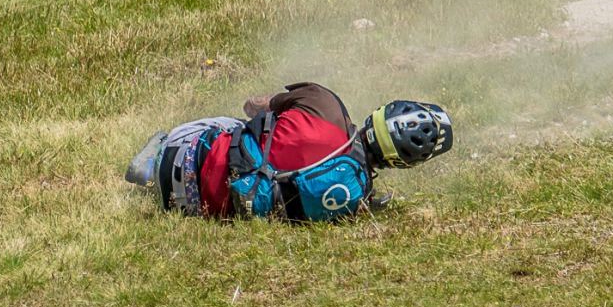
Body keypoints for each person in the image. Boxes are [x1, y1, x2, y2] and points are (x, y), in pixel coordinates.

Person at [125, 82, 453, 222]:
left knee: (238, 123)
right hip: (198, 211)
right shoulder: (358, 199)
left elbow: (252, 106)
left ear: (382, 112)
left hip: (181, 161)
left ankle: (153, 157)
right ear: (401, 163)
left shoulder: (325, 104)